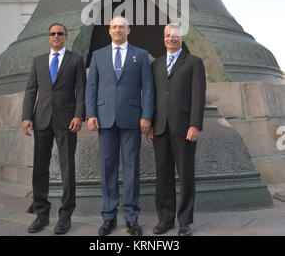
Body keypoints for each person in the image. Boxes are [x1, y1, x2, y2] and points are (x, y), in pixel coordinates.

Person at [85, 16, 154, 236]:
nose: (117, 30)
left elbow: (149, 88)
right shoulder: (97, 55)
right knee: (108, 169)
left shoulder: (141, 55)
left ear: (128, 30)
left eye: (121, 27)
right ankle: (109, 217)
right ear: (109, 30)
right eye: (114, 27)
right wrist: (91, 114)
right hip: (104, 119)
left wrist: (147, 116)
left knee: (132, 168)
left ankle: (132, 218)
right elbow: (91, 88)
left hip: (132, 119)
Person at [22, 23, 86, 234]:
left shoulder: (75, 59)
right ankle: (41, 214)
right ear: (48, 37)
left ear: (66, 37)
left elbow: (81, 90)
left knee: (68, 169)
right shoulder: (38, 61)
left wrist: (79, 115)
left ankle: (65, 215)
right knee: (40, 168)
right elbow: (31, 90)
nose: (56, 36)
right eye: (53, 34)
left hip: (67, 121)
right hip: (41, 121)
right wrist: (26, 117)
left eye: (60, 33)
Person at [147, 23, 206, 237]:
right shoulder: (156, 64)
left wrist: (195, 124)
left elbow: (199, 96)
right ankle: (165, 219)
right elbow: (151, 96)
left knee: (186, 174)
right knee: (163, 175)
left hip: (184, 128)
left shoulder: (194, 63)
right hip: (160, 127)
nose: (171, 38)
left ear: (181, 39)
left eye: (175, 36)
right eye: (167, 35)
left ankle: (185, 221)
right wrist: (151, 123)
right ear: (163, 38)